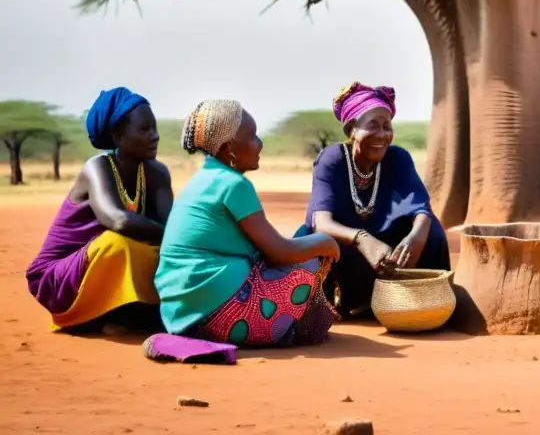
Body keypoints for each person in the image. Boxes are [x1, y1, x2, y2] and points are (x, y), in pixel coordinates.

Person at [155, 99, 340, 347]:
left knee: (303, 237)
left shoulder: (202, 180)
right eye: (252, 136)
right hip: (224, 315)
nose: (260, 143)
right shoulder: (234, 184)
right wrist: (327, 243)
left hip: (183, 318)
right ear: (229, 146)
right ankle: (276, 329)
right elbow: (279, 252)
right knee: (310, 257)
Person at [26, 87, 173, 332]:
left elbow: (170, 227)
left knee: (163, 250)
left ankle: (138, 312)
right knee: (117, 243)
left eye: (155, 128)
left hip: (106, 265)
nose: (155, 136)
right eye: (145, 129)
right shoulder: (97, 168)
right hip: (59, 279)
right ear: (118, 138)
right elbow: (118, 220)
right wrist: (172, 238)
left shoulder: (156, 173)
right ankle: (101, 316)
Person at [299, 82, 451, 316]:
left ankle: (425, 298)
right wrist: (361, 238)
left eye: (387, 126)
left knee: (432, 230)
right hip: (346, 249)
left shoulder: (397, 158)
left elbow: (422, 209)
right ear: (352, 130)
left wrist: (416, 237)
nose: (382, 134)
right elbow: (321, 223)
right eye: (373, 125)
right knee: (314, 240)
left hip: (387, 250)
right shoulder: (332, 160)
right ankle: (322, 306)